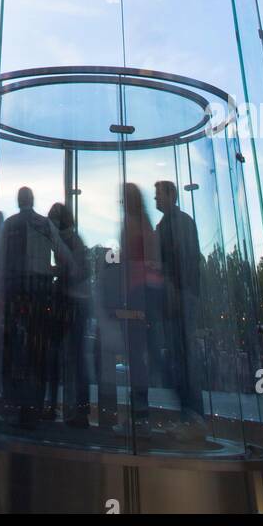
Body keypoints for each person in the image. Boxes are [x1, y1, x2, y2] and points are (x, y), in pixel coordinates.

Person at [0, 186, 72, 429]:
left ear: (19, 201)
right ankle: (34, 406)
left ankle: (11, 402)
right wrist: (57, 272)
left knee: (10, 348)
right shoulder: (44, 224)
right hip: (39, 292)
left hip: (14, 291)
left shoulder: (9, 225)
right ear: (33, 200)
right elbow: (64, 256)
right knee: (36, 351)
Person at [154, 180, 205, 438]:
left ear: (171, 195)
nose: (155, 200)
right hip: (177, 295)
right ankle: (190, 417)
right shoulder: (168, 224)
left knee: (183, 358)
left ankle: (193, 418)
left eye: (158, 195)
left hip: (180, 296)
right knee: (179, 357)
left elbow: (182, 259)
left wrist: (176, 289)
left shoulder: (178, 223)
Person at [120, 183, 162, 436]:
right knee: (148, 352)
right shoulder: (145, 222)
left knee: (138, 354)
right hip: (147, 291)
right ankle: (140, 412)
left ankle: (139, 415)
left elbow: (130, 260)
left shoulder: (133, 223)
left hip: (138, 292)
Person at [46, 203, 90, 426]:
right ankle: (75, 408)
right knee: (73, 356)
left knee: (68, 356)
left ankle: (70, 408)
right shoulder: (72, 239)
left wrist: (56, 273)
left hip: (72, 303)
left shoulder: (68, 240)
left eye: (53, 219)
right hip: (75, 302)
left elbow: (77, 271)